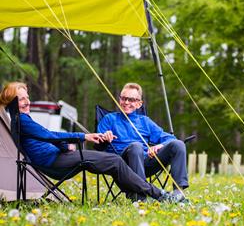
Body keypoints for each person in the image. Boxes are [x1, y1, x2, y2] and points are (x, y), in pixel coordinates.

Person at [0, 81, 177, 203]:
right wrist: (84, 136)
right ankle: (158, 194)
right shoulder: (21, 120)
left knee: (113, 163)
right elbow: (48, 135)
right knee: (114, 161)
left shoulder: (20, 119)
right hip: (54, 162)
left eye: (27, 97)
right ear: (12, 102)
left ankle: (137, 194)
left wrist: (65, 146)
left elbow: (46, 137)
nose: (28, 101)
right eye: (22, 99)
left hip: (59, 157)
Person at [97, 82, 188, 201]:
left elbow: (170, 139)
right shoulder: (109, 119)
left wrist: (159, 146)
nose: (126, 102)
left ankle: (178, 192)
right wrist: (104, 137)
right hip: (121, 164)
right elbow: (98, 145)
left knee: (178, 144)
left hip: (146, 163)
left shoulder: (145, 121)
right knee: (136, 146)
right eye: (123, 98)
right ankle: (140, 195)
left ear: (139, 104)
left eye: (131, 100)